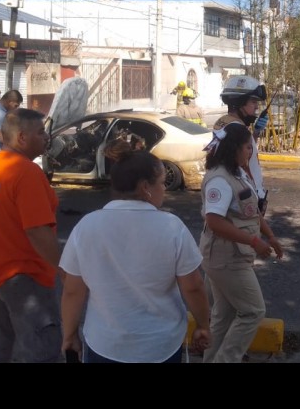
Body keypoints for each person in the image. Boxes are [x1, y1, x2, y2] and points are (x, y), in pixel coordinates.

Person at [60, 141, 211, 363]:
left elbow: (73, 290)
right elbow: (193, 286)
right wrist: (203, 325)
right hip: (160, 345)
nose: (164, 189)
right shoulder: (172, 227)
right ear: (145, 187)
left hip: (105, 344)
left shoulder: (86, 226)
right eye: (161, 183)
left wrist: (69, 335)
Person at [0, 108, 62, 363]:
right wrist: (63, 269)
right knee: (39, 352)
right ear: (22, 138)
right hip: (26, 280)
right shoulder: (26, 172)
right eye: (41, 132)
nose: (46, 137)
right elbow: (37, 230)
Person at [199, 122, 283, 363]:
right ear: (235, 148)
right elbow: (214, 221)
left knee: (224, 316)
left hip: (230, 256)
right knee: (253, 311)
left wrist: (270, 236)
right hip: (225, 258)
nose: (251, 152)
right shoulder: (220, 180)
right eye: (248, 147)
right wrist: (254, 241)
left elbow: (251, 211)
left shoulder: (237, 173)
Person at [213, 75, 269, 207]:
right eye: (253, 102)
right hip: (241, 200)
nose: (256, 107)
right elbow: (238, 163)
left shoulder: (225, 122)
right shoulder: (235, 129)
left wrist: (255, 133)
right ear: (239, 102)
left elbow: (245, 150)